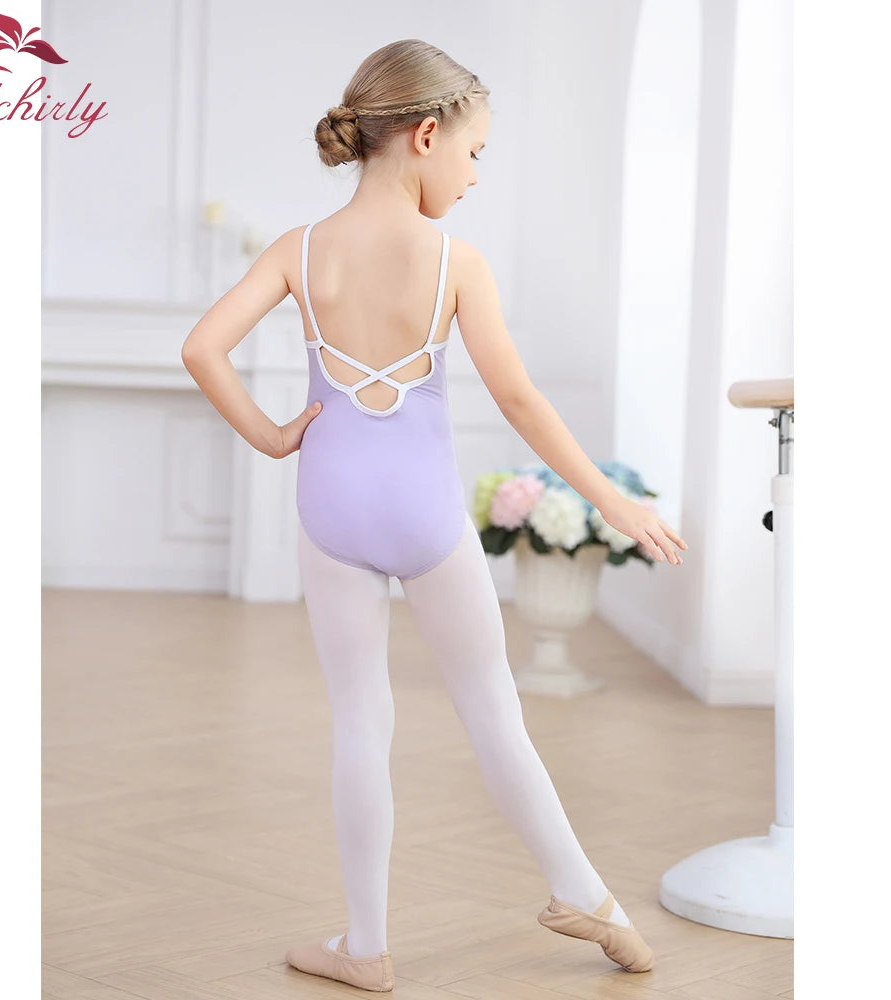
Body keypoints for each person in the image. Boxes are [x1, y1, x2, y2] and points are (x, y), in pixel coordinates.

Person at [181, 38, 687, 994]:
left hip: (331, 505)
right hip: (424, 512)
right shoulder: (456, 260)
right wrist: (612, 501)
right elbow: (521, 401)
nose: (476, 172)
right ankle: (586, 896)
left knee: (359, 724)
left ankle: (366, 946)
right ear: (424, 136)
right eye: (474, 151)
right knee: (494, 715)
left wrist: (272, 437)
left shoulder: (299, 250)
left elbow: (203, 347)